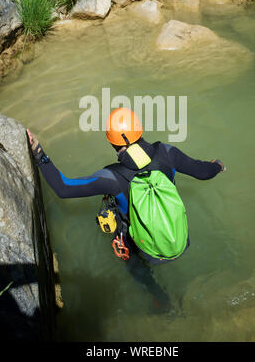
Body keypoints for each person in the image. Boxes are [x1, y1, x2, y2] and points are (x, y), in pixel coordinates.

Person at [27, 107, 225, 313]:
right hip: (180, 240)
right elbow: (203, 172)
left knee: (128, 255)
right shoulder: (167, 153)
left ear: (111, 141)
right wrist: (217, 166)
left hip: (145, 251)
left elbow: (63, 188)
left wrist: (39, 153)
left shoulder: (111, 177)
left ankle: (159, 298)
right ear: (139, 130)